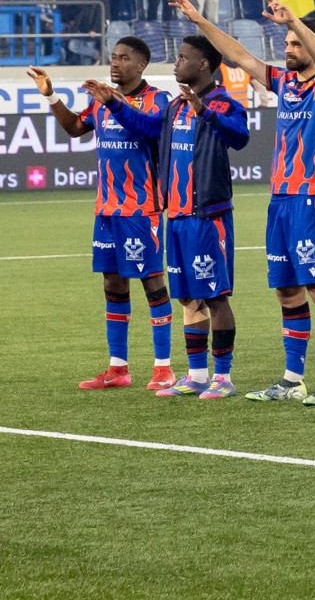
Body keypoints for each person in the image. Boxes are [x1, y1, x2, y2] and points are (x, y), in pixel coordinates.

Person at [171, 0, 315, 409]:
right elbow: (239, 56)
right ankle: (291, 378)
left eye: (293, 44)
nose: (287, 49)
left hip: (312, 200)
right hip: (280, 201)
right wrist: (199, 19)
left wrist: (294, 23)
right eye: (286, 44)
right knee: (287, 292)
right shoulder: (284, 83)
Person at [85, 33, 249, 398]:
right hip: (175, 214)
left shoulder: (222, 101)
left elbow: (240, 136)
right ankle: (196, 375)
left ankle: (223, 377)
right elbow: (145, 128)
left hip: (208, 215)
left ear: (203, 63)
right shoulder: (174, 107)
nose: (176, 63)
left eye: (183, 57)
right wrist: (113, 104)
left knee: (217, 296)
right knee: (188, 297)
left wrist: (205, 112)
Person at [31, 46, 177, 391]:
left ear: (141, 65)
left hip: (141, 210)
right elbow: (75, 128)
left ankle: (163, 368)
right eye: (113, 56)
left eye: (124, 57)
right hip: (107, 211)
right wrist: (51, 96)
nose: (115, 62)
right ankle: (118, 368)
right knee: (113, 285)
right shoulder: (100, 98)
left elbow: (149, 128)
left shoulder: (159, 100)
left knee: (152, 284)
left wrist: (112, 101)